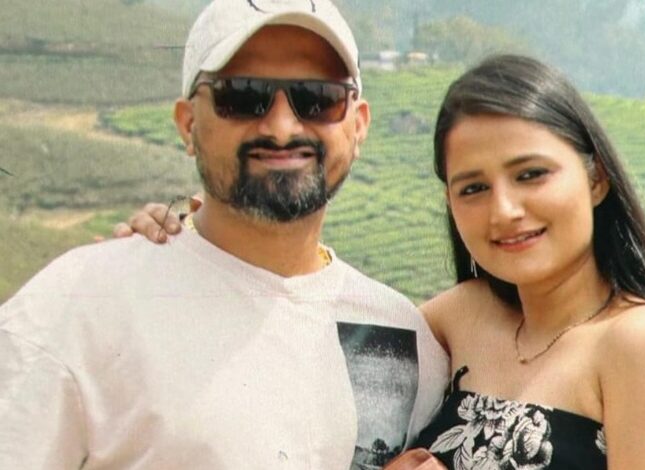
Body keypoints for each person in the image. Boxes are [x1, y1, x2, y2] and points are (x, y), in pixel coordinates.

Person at [126, 54, 645, 469]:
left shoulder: (641, 343)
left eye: (531, 175)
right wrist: (192, 240)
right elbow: (298, 321)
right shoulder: (461, 317)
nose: (504, 210)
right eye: (473, 188)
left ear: (596, 178)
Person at [0, 1, 449, 469]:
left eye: (317, 98)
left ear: (358, 126)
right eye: (243, 96)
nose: (281, 128)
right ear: (188, 123)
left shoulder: (403, 335)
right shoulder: (75, 309)